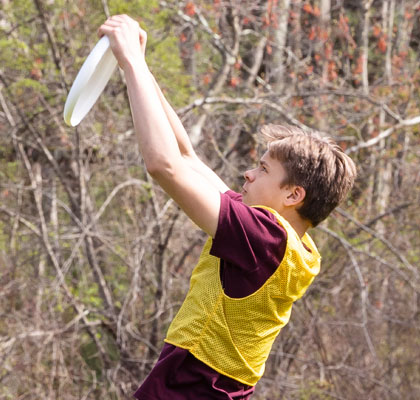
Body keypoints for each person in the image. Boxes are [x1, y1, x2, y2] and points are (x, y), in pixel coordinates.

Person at [98, 15, 357, 400]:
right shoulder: (293, 244)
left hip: (189, 388)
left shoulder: (263, 238)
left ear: (293, 195)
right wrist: (136, 66)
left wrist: (134, 65)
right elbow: (187, 156)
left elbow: (164, 166)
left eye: (263, 169)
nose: (247, 175)